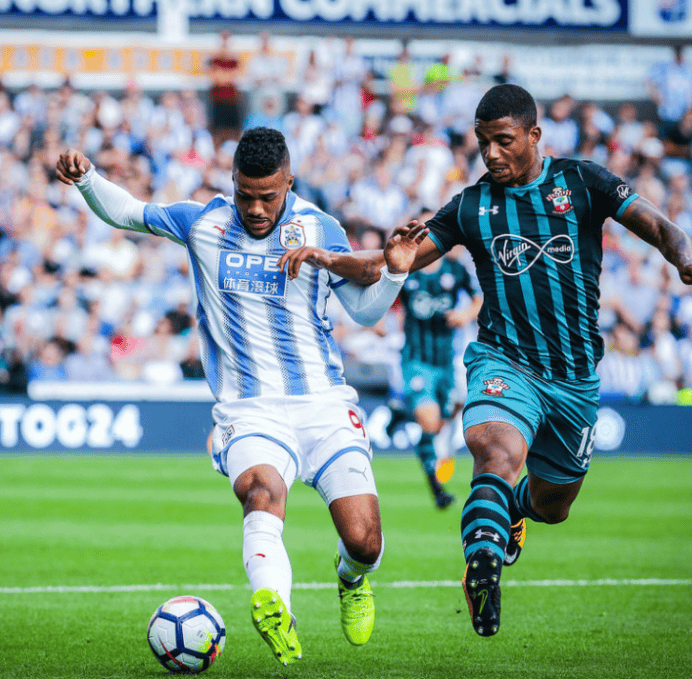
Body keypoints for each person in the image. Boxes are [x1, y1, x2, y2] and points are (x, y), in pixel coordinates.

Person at [277, 84, 692, 639]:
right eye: (483, 142)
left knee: (552, 505)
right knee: (497, 454)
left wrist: (685, 258)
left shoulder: (583, 181)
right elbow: (388, 264)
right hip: (503, 362)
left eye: (503, 141)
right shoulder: (470, 206)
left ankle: (512, 512)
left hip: (575, 378)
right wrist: (326, 257)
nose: (491, 154)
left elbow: (659, 225)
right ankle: (482, 563)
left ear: (534, 135)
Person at [55, 127, 427, 665]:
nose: (255, 208)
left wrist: (393, 273)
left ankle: (352, 578)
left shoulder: (320, 228)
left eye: (267, 197)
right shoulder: (203, 222)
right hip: (248, 408)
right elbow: (128, 212)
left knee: (364, 541)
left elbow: (365, 314)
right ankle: (275, 604)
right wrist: (88, 179)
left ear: (289, 182)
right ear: (232, 181)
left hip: (323, 402)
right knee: (261, 492)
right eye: (245, 195)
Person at [394, 220, 482, 509]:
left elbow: (479, 299)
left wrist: (465, 315)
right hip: (416, 359)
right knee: (430, 421)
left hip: (447, 360)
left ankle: (402, 415)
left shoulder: (455, 270)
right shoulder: (407, 271)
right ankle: (436, 488)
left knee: (447, 414)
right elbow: (384, 299)